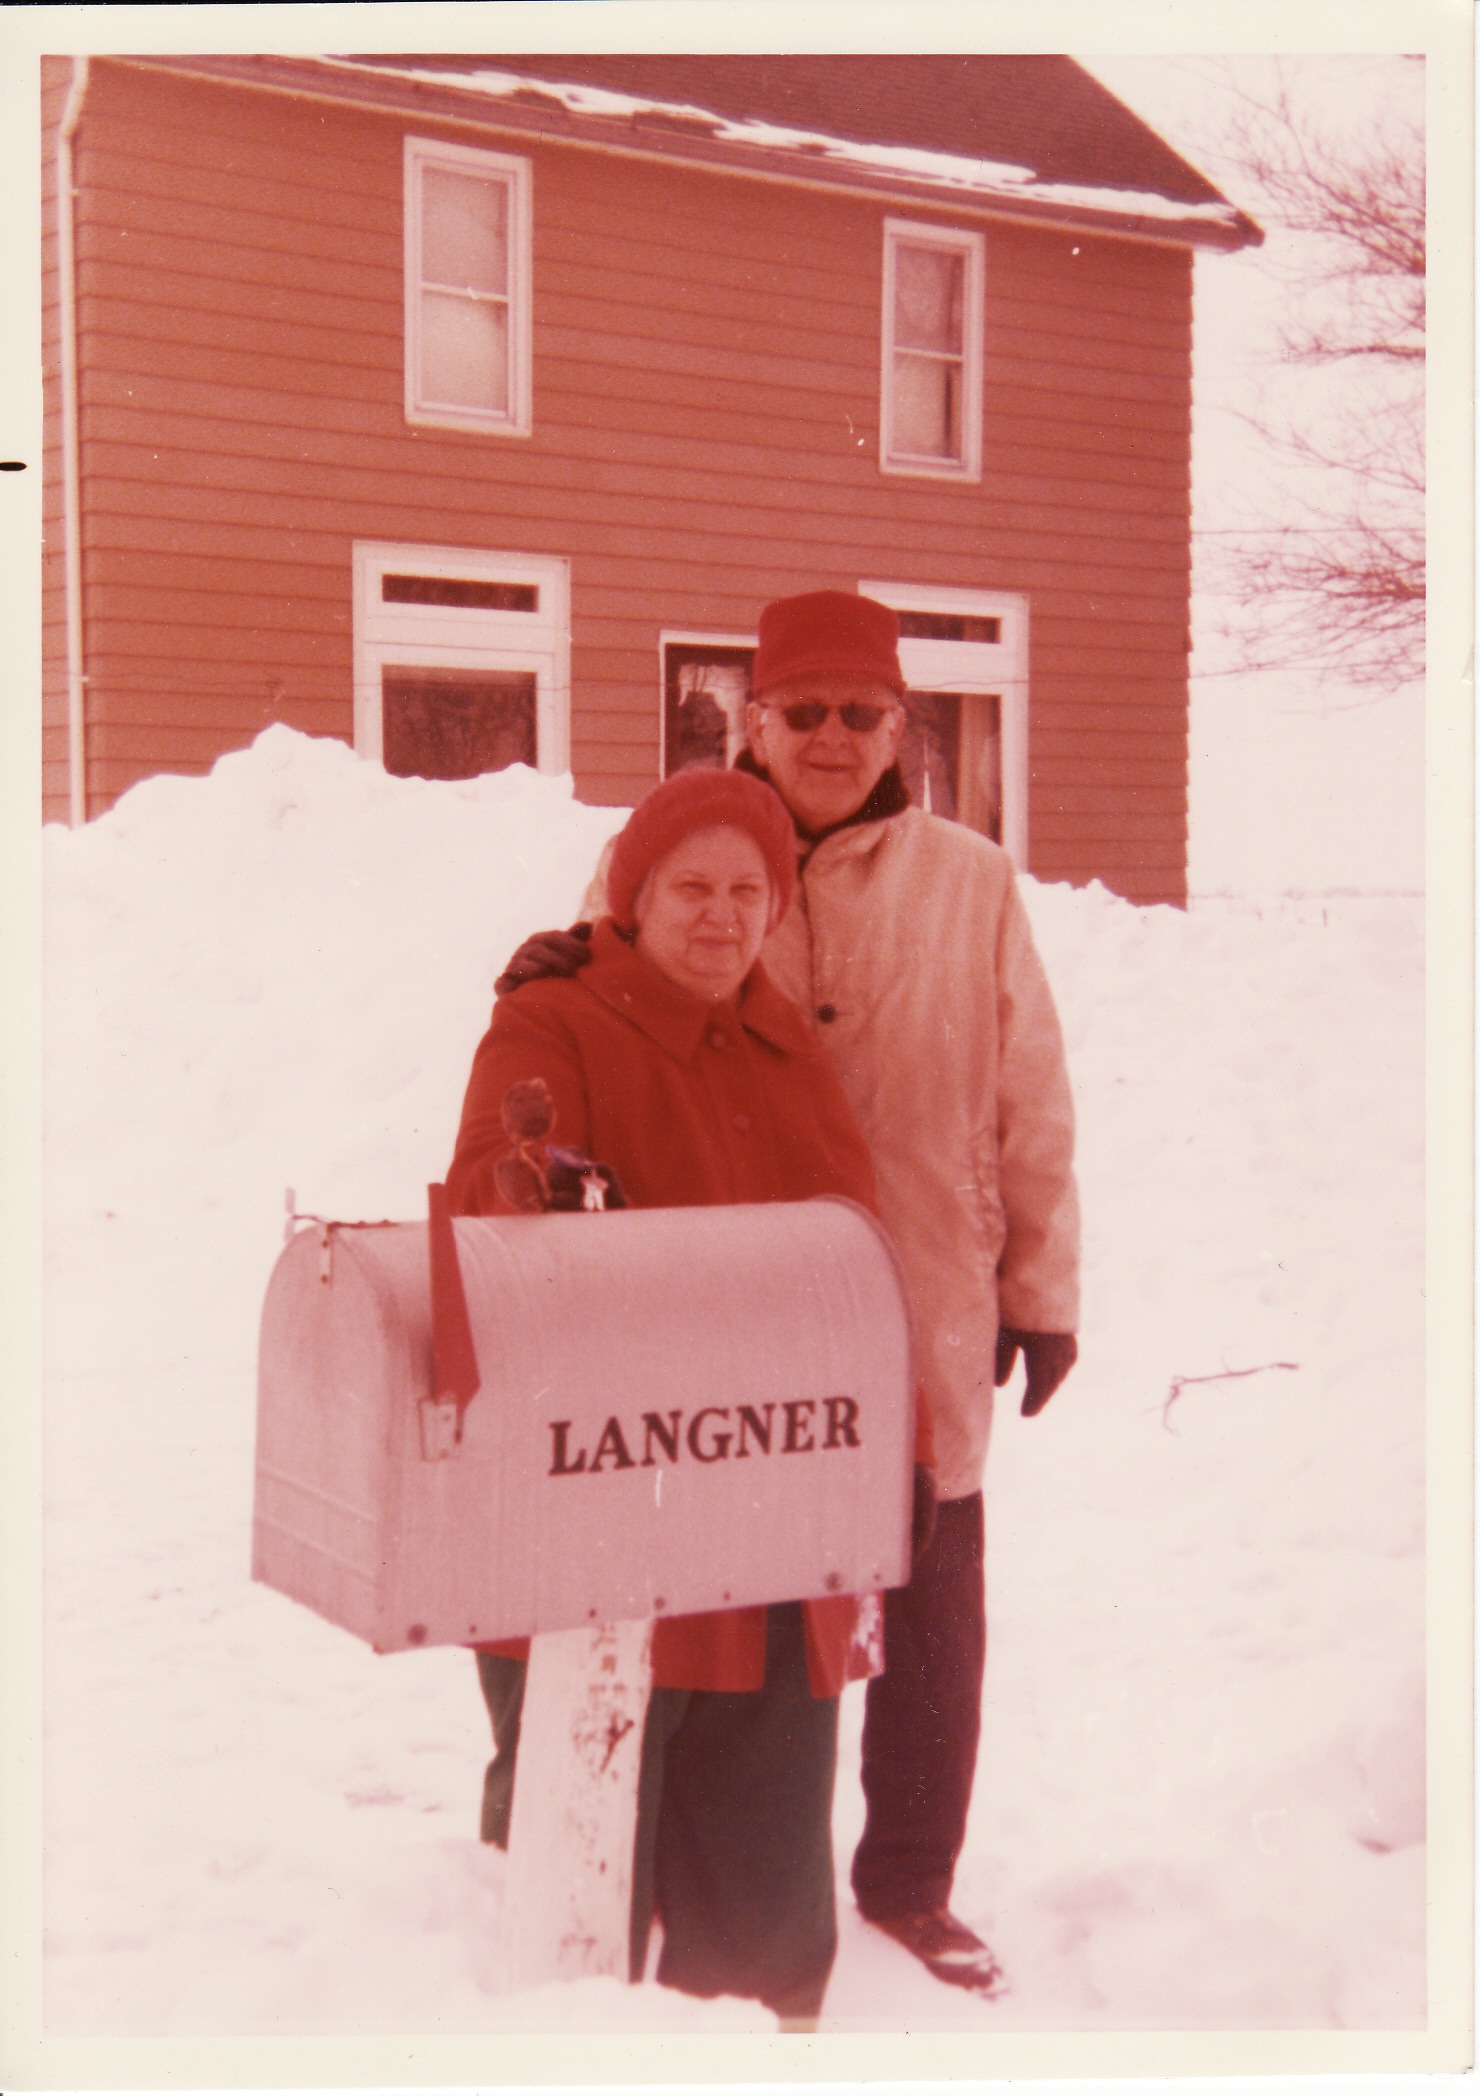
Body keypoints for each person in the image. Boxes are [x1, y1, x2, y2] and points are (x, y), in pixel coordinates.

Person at [498, 590, 1080, 1996]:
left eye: (859, 713)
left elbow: (1032, 1093)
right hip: (731, 1314)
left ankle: (910, 1881)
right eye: (802, 710)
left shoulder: (971, 882)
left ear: (900, 727)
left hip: (919, 1294)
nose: (830, 736)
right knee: (735, 1599)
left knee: (929, 1605)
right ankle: (654, 1867)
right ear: (752, 718)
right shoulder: (674, 845)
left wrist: (1042, 1284)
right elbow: (600, 1002)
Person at [446, 766, 932, 2030]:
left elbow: (858, 1259)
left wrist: (902, 1448)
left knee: (761, 1894)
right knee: (578, 1876)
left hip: (769, 1520)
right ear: (635, 894)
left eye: (746, 890)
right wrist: (542, 1182)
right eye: (690, 888)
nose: (721, 915)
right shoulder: (552, 1018)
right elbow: (491, 1190)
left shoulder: (787, 1041)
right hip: (592, 1512)